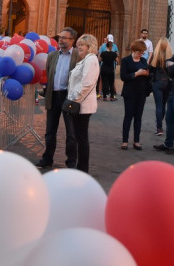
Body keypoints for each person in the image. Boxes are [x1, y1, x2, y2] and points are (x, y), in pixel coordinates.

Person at [36, 27, 80, 169]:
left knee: (71, 133)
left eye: (64, 38)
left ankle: (71, 162)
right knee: (50, 131)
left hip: (69, 97)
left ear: (72, 40)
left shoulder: (78, 56)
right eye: (59, 37)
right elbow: (49, 74)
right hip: (54, 95)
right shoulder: (52, 56)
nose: (60, 40)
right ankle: (47, 159)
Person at [66, 33, 100, 173]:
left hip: (82, 105)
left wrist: (73, 99)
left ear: (89, 46)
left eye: (81, 45)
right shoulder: (86, 59)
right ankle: (81, 167)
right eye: (78, 45)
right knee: (80, 136)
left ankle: (83, 168)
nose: (78, 47)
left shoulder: (91, 60)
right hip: (80, 103)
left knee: (81, 137)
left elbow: (87, 84)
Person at [119, 40, 151, 150]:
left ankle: (136, 141)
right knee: (128, 116)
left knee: (138, 117)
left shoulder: (143, 60)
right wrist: (136, 74)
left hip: (141, 92)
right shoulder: (125, 60)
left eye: (143, 52)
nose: (141, 54)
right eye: (140, 52)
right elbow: (123, 77)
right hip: (129, 92)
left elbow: (148, 74)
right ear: (133, 50)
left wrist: (147, 74)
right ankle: (125, 141)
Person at [149, 37, 172, 136]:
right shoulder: (170, 56)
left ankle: (159, 128)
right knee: (163, 105)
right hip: (167, 82)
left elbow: (150, 68)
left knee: (158, 105)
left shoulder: (155, 56)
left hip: (157, 82)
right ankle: (160, 124)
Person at [99, 35, 119, 101]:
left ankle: (104, 96)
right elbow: (117, 61)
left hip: (104, 68)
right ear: (111, 47)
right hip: (111, 69)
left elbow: (99, 60)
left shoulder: (103, 53)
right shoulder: (114, 54)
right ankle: (112, 96)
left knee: (104, 82)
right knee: (111, 83)